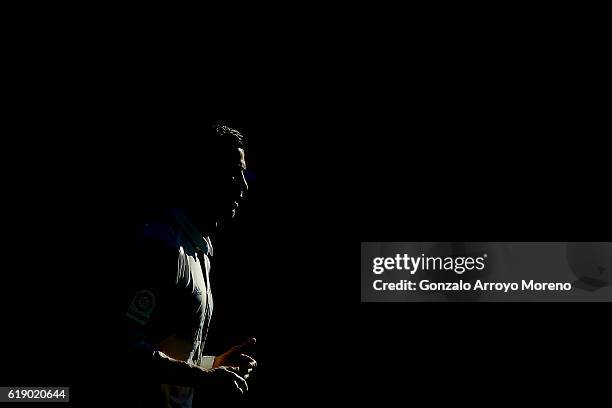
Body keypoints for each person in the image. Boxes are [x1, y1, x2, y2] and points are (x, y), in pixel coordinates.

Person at [120, 124, 257, 406]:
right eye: (234, 173)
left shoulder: (201, 250)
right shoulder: (161, 244)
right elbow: (124, 348)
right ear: (205, 175)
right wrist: (202, 378)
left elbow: (172, 355)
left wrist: (212, 365)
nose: (243, 186)